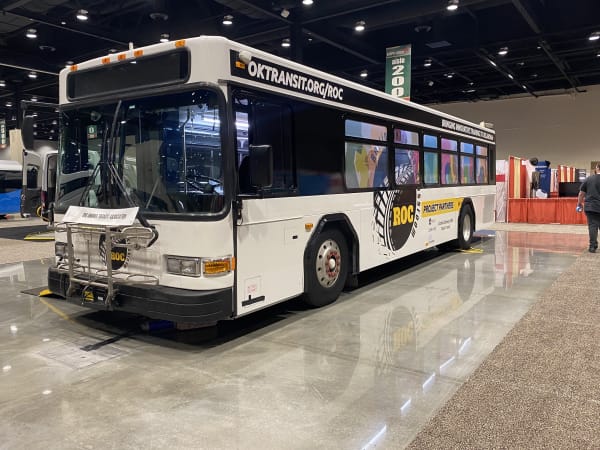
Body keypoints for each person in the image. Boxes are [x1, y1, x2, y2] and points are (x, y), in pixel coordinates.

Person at [577, 163, 600, 252]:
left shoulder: (589, 179)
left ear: (597, 168)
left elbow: (581, 193)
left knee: (593, 226)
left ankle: (592, 246)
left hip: (591, 207)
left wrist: (579, 204)